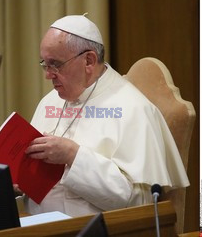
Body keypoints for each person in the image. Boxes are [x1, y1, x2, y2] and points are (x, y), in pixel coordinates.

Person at [21, 15, 189, 217]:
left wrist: (73, 156)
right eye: (45, 64)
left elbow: (138, 204)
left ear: (89, 61)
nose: (48, 74)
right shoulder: (49, 102)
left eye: (55, 64)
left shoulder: (133, 108)